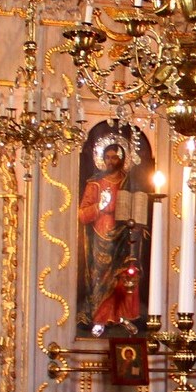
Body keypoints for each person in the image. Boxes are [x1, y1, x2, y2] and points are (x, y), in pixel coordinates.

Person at [77, 140, 139, 332]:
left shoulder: (129, 182)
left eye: (115, 157)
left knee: (124, 276)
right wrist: (100, 206)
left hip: (124, 235)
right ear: (102, 159)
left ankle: (121, 316)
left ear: (122, 159)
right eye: (108, 157)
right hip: (101, 236)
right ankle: (100, 317)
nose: (111, 161)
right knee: (101, 278)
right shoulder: (95, 183)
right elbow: (82, 214)